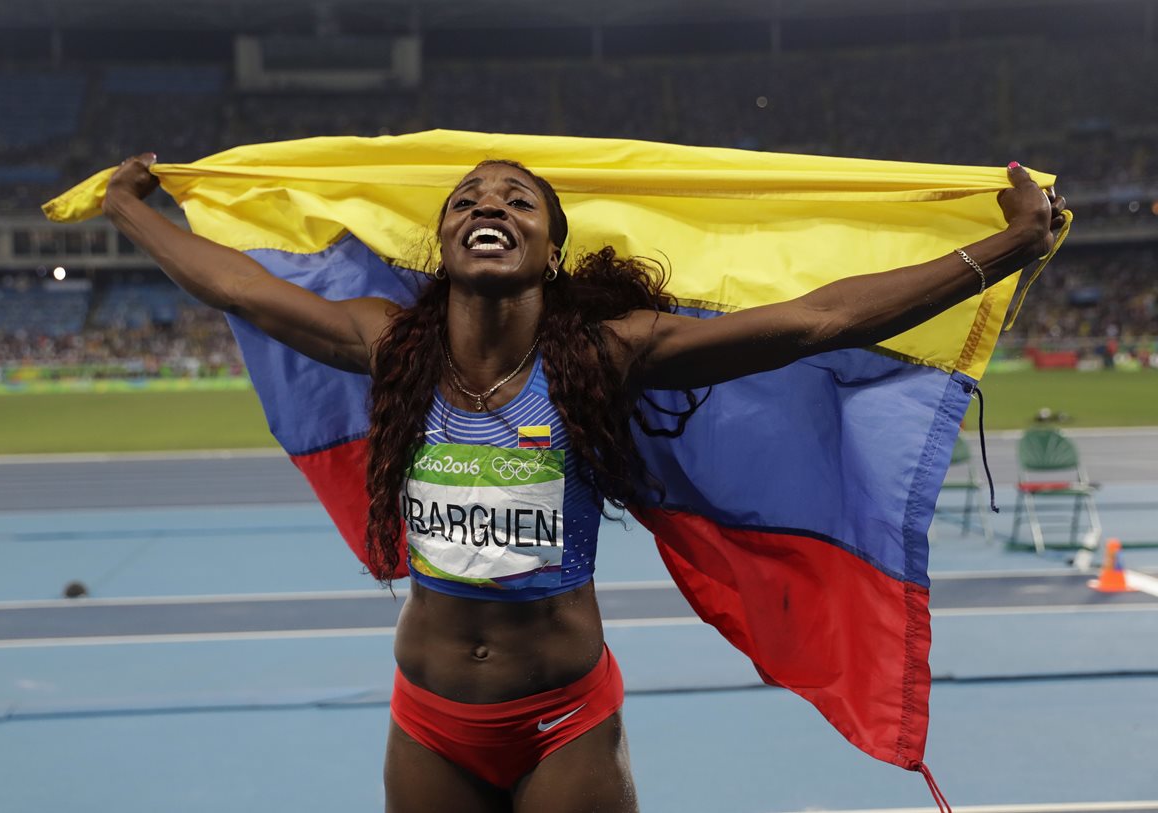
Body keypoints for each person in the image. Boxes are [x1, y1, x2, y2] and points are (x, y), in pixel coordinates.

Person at [102, 153, 1065, 813]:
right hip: (428, 714)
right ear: (441, 244)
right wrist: (126, 205)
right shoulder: (387, 342)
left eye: (518, 201)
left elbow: (818, 322)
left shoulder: (603, 357)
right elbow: (235, 286)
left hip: (562, 718)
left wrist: (1010, 246)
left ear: (550, 252)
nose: (489, 206)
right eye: (468, 199)